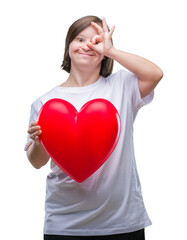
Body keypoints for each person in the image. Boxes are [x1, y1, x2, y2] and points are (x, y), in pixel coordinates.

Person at [25, 15, 163, 240]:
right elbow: (37, 162)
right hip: (64, 223)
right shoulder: (45, 102)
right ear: (68, 45)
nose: (87, 45)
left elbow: (155, 74)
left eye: (96, 41)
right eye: (80, 39)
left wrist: (112, 51)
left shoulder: (122, 86)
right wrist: (39, 141)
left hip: (122, 222)